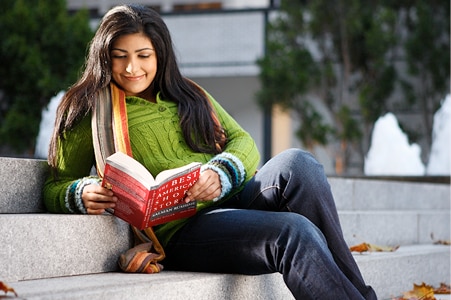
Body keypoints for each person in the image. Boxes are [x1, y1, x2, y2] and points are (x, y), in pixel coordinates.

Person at [43, 4, 377, 299]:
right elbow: (54, 185)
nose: (132, 68)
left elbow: (242, 141)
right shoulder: (89, 109)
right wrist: (79, 192)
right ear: (104, 56)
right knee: (293, 231)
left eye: (143, 55)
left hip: (230, 198)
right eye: (120, 56)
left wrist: (220, 172)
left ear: (160, 54)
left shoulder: (189, 94)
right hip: (183, 231)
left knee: (299, 164)